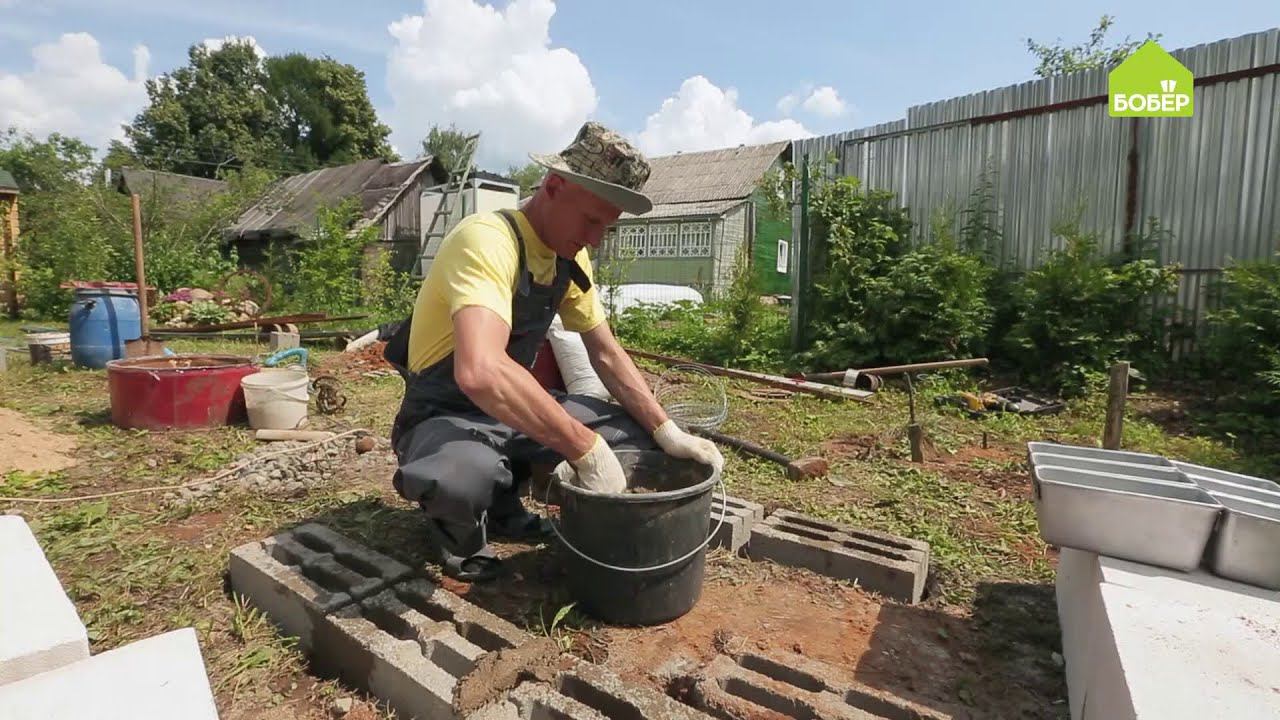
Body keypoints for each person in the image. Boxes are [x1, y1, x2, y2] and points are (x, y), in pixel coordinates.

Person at [384, 122, 725, 582]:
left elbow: (605, 353)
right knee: (462, 478)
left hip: (511, 407)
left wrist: (667, 432)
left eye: (607, 226)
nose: (596, 239)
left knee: (634, 440)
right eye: (591, 221)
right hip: (446, 412)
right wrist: (586, 450)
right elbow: (480, 371)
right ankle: (459, 535)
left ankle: (513, 508)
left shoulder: (570, 256)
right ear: (554, 186)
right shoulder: (486, 240)